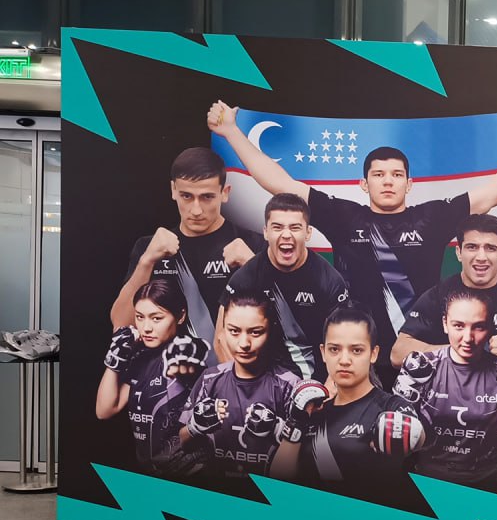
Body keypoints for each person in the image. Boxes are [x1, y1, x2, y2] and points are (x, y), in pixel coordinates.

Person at [207, 101, 497, 387]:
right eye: (378, 175)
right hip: (359, 360)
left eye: (396, 175)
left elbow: (496, 190)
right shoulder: (343, 216)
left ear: (409, 183)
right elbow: (279, 183)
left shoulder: (432, 217)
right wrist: (231, 132)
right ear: (364, 184)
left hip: (423, 356)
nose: (388, 181)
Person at [111, 148, 264, 344]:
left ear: (224, 193)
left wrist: (252, 266)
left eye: (207, 197)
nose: (196, 210)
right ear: (173, 190)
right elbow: (122, 325)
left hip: (229, 363)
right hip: (167, 363)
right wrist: (146, 261)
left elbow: (283, 327)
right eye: (187, 196)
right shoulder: (148, 248)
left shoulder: (252, 244)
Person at [270, 306, 424, 488]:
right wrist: (296, 421)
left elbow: (417, 436)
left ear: (373, 354)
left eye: (356, 350)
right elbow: (278, 481)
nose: (344, 360)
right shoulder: (313, 413)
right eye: (334, 349)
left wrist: (410, 433)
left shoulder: (391, 407)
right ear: (323, 353)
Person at [392, 214, 497, 367]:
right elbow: (398, 354)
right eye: (472, 247)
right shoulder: (437, 296)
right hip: (451, 392)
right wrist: (456, 352)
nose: (481, 257)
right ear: (459, 252)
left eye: (490, 248)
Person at [393, 289, 497, 491]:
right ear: (445, 324)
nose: (468, 338)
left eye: (478, 327)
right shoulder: (421, 368)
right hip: (429, 481)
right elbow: (398, 435)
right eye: (458, 326)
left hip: (488, 483)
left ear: (490, 327)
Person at [219, 193, 349, 379]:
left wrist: (329, 387)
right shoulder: (245, 278)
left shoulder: (329, 281)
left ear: (308, 233)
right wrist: (242, 385)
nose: (286, 235)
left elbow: (343, 343)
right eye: (277, 227)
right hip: (262, 381)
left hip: (317, 382)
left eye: (295, 228)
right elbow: (222, 338)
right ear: (266, 232)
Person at [178, 294, 302, 480]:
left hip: (269, 492)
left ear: (270, 331)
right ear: (223, 331)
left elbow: (305, 461)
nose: (244, 344)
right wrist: (195, 426)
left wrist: (279, 429)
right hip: (218, 491)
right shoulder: (209, 379)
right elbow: (183, 443)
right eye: (234, 331)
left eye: (255, 332)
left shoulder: (289, 385)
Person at [95, 280, 211, 477]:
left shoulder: (187, 352)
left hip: (191, 475)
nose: (146, 327)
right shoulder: (139, 357)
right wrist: (114, 359)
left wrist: (188, 358)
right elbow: (104, 410)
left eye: (156, 318)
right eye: (140, 317)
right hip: (149, 474)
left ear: (180, 316)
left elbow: (190, 359)